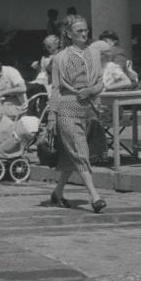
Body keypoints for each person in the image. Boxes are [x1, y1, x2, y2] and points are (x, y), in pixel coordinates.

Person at [48, 14, 107, 212]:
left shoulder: (95, 54)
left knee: (70, 156)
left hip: (88, 110)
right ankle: (95, 196)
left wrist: (92, 90)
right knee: (81, 152)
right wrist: (50, 116)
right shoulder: (59, 58)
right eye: (79, 31)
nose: (84, 34)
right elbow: (56, 88)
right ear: (68, 34)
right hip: (67, 109)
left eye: (85, 30)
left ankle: (57, 193)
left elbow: (100, 82)